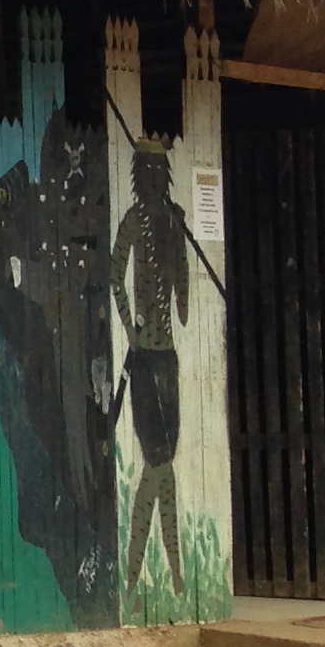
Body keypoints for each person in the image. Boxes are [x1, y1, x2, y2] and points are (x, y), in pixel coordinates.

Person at [109, 139, 191, 589]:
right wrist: (129, 327)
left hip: (167, 356)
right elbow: (113, 275)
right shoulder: (134, 221)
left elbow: (183, 279)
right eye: (150, 170)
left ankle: (135, 571)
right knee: (161, 465)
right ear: (140, 175)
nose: (156, 178)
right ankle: (172, 570)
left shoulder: (173, 220)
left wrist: (183, 299)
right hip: (143, 357)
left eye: (162, 171)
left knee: (159, 465)